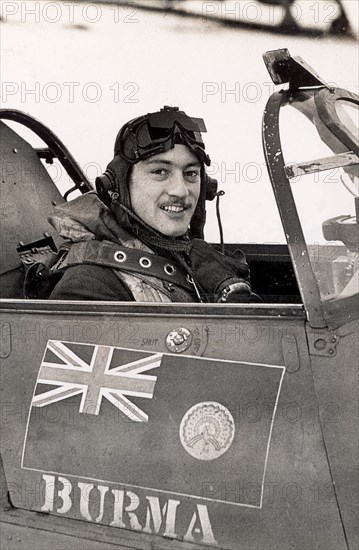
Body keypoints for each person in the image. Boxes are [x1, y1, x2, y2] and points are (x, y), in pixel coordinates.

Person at [49, 106, 254, 303]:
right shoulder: (88, 288)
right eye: (159, 172)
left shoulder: (180, 254)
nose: (181, 191)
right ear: (119, 186)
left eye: (190, 173)